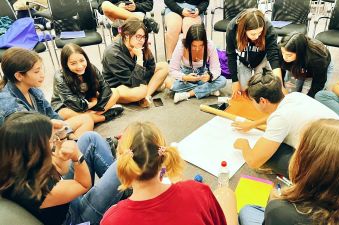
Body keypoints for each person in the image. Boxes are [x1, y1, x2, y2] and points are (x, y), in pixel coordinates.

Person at [238, 119, 339, 225]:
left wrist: (278, 200)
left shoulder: (282, 212)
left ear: (310, 165)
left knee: (245, 209)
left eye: (299, 150)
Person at [101, 121, 236, 225]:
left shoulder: (112, 219)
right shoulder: (199, 191)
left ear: (122, 160)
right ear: (163, 156)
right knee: (226, 194)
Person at [0, 112, 123, 225]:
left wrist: (60, 135)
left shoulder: (17, 165)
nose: (52, 143)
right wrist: (77, 157)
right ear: (35, 150)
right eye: (49, 141)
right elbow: (84, 184)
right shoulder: (33, 190)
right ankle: (127, 189)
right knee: (122, 164)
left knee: (90, 138)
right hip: (75, 217)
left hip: (64, 201)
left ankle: (121, 190)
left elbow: (61, 169)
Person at [232, 70, 339, 176]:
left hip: (328, 169)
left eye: (252, 101)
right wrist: (253, 124)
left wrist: (244, 144)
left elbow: (253, 161)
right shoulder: (295, 96)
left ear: (263, 101)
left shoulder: (280, 118)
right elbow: (279, 116)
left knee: (267, 155)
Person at [0, 47, 93, 137]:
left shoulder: (32, 89)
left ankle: (74, 145)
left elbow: (52, 116)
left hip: (46, 133)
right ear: (19, 76)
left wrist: (69, 135)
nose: (42, 74)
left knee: (86, 119)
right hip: (32, 143)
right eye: (36, 71)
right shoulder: (10, 106)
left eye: (41, 69)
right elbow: (30, 139)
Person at [102, 17, 169, 107]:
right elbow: (131, 82)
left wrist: (142, 78)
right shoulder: (113, 53)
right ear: (126, 35)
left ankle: (146, 96)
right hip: (120, 86)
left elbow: (151, 67)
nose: (142, 40)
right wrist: (140, 59)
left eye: (144, 37)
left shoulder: (140, 45)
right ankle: (147, 91)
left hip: (137, 78)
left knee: (164, 66)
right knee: (140, 90)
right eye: (138, 36)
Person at [51, 43, 124, 124]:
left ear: (86, 58)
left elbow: (105, 88)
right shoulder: (59, 77)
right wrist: (93, 103)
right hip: (69, 107)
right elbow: (75, 105)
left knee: (115, 92)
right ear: (66, 65)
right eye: (73, 63)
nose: (80, 66)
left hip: (88, 104)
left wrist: (96, 107)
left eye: (82, 60)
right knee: (64, 114)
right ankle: (103, 117)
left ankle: (91, 117)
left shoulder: (91, 68)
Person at [226, 8, 282, 98]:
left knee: (260, 92)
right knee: (244, 91)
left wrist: (280, 86)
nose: (256, 37)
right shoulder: (232, 28)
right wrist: (234, 81)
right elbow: (231, 55)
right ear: (243, 30)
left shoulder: (269, 29)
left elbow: (274, 57)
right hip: (243, 60)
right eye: (253, 34)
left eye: (260, 33)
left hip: (261, 58)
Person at [167, 23, 227, 103]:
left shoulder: (210, 45)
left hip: (203, 75)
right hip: (186, 75)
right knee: (168, 83)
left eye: (201, 45)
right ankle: (208, 90)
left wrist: (210, 76)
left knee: (222, 81)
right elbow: (172, 70)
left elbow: (216, 69)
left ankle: (187, 94)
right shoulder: (181, 45)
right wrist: (185, 77)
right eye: (194, 46)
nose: (197, 49)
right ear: (188, 42)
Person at [280, 32, 333, 98]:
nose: (284, 57)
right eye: (282, 53)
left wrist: (306, 99)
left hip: (317, 70)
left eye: (289, 55)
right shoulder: (283, 48)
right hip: (297, 65)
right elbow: (280, 70)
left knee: (308, 98)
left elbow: (318, 84)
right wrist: (282, 86)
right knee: (290, 94)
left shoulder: (318, 59)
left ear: (299, 53)